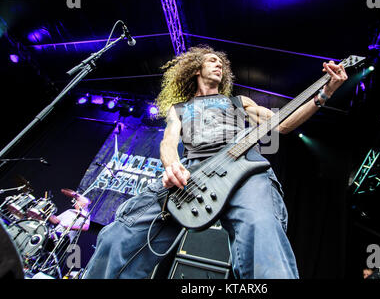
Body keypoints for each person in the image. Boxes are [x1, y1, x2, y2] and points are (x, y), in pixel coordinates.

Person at [83, 45, 347, 279]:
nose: (219, 64)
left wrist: (324, 93)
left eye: (221, 63)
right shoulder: (180, 109)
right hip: (193, 172)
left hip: (246, 170)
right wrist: (172, 166)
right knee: (120, 234)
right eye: (212, 60)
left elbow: (284, 125)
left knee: (262, 229)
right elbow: (168, 142)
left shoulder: (239, 101)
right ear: (196, 69)